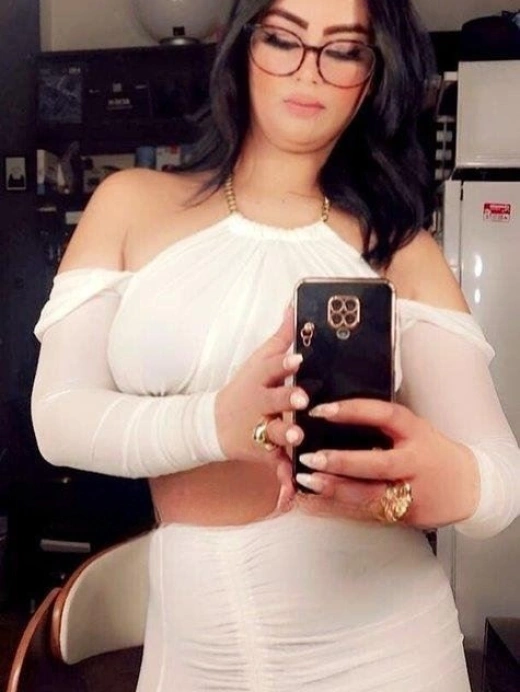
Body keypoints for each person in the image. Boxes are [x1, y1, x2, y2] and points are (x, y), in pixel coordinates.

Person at [31, 0, 520, 690]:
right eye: (284, 39)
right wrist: (216, 423)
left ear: (373, 76)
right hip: (199, 651)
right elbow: (58, 418)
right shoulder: (130, 204)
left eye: (343, 49)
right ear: (242, 48)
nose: (309, 70)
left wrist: (432, 483)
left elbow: (502, 476)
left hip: (389, 650)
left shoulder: (401, 249)